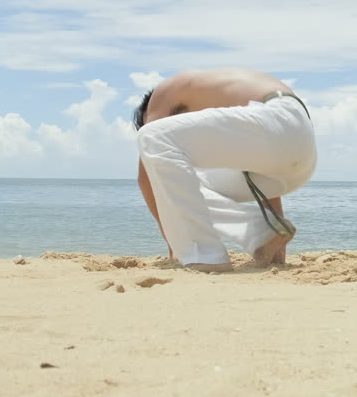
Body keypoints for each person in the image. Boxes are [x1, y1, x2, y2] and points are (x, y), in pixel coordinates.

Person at [134, 68, 316, 272]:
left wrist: (174, 243)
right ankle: (261, 232)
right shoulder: (224, 106)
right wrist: (274, 239)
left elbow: (147, 177)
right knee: (189, 178)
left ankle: (205, 255)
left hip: (276, 116)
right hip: (299, 157)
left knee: (150, 137)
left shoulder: (163, 94)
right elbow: (263, 176)